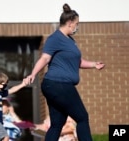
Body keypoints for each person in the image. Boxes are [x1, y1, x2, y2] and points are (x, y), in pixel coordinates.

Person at [25, 3, 105, 141]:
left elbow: (77, 61)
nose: (77, 27)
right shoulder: (55, 38)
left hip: (56, 86)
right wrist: (33, 74)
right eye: (76, 24)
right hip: (58, 84)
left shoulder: (70, 41)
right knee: (82, 117)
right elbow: (44, 58)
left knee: (57, 124)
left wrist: (93, 64)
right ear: (69, 23)